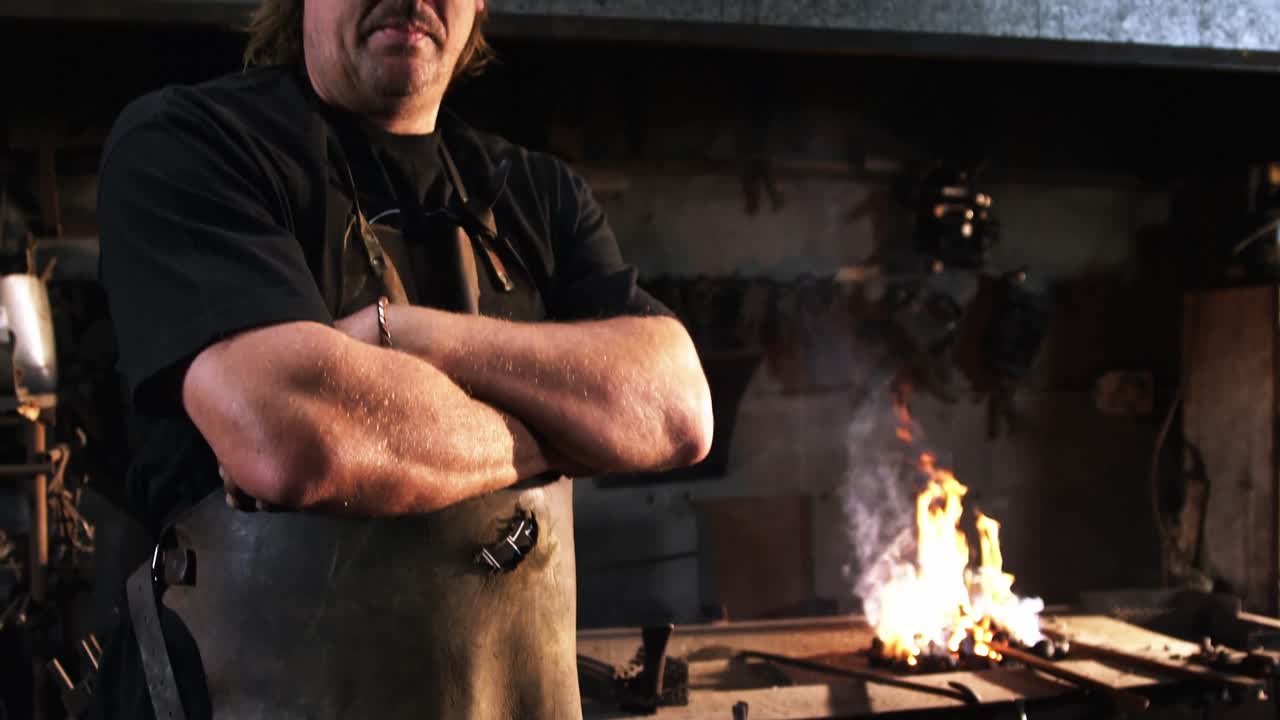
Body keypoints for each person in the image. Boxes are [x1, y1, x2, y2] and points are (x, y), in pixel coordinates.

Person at [91, 0, 714, 717]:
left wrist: (404, 332)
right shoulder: (189, 144)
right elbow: (296, 443)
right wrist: (567, 434)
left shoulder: (536, 196)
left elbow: (676, 409)